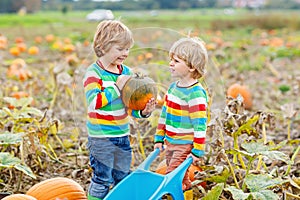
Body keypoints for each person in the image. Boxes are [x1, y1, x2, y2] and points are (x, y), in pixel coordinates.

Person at [83, 20, 156, 200]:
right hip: (101, 139)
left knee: (122, 177)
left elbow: (130, 106)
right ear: (103, 47)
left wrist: (144, 111)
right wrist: (116, 87)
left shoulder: (126, 72)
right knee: (102, 178)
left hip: (122, 135)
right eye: (120, 49)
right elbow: (94, 102)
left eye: (127, 49)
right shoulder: (94, 73)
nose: (125, 53)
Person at [154, 37, 209, 199]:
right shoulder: (173, 88)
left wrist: (197, 150)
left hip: (184, 143)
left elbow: (200, 125)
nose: (171, 63)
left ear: (191, 67)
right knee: (180, 174)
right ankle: (186, 188)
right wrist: (159, 137)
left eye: (176, 61)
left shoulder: (195, 94)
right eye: (171, 59)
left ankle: (175, 195)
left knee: (172, 174)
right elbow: (164, 114)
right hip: (170, 141)